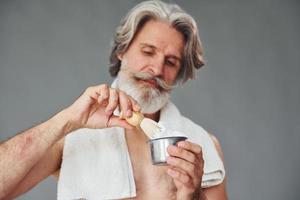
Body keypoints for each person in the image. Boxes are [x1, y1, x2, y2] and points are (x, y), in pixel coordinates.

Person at [0, 1, 227, 199]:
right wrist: (67, 120)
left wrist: (192, 195)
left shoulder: (201, 144)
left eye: (170, 62)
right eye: (148, 52)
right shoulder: (73, 135)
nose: (157, 69)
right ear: (122, 51)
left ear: (179, 73)